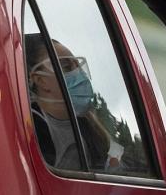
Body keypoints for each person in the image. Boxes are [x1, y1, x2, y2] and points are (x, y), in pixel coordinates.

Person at [25, 33, 122, 171]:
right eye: (66, 66)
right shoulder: (32, 129)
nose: (78, 73)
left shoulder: (87, 123)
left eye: (77, 65)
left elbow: (117, 164)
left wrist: (115, 163)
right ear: (40, 80)